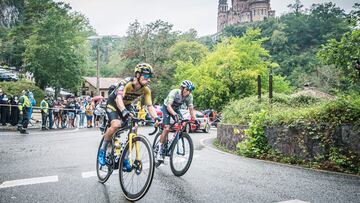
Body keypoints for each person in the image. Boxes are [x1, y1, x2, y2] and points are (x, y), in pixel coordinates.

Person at [98, 63, 160, 170]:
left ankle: (125, 157)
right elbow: (118, 99)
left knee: (135, 127)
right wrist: (123, 111)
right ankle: (102, 150)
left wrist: (156, 118)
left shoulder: (146, 90)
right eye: (146, 76)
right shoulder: (126, 83)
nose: (149, 79)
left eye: (150, 77)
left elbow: (150, 106)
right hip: (113, 103)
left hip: (126, 105)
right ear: (137, 75)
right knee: (116, 124)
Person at [156, 80, 197, 162]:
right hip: (167, 108)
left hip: (176, 109)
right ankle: (160, 150)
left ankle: (172, 141)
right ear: (182, 88)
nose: (188, 92)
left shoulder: (189, 96)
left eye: (190, 90)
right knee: (167, 128)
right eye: (187, 89)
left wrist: (195, 119)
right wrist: (174, 114)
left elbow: (191, 109)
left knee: (182, 123)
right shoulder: (174, 92)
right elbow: (168, 106)